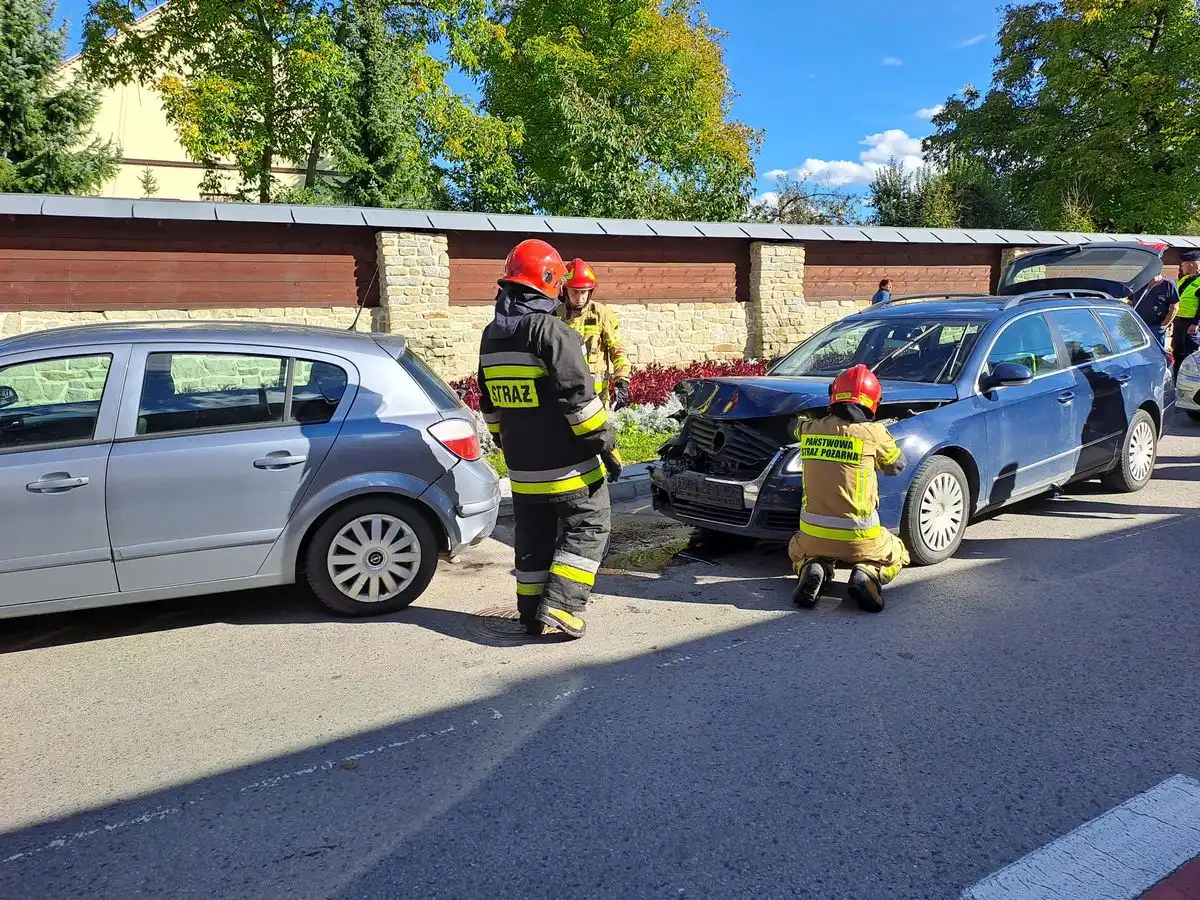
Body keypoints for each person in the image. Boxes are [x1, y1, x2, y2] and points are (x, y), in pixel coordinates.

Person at [477, 239, 621, 639]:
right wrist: (605, 444)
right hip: (567, 467)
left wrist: (511, 445)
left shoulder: (492, 336)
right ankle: (562, 606)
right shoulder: (552, 331)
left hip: (523, 470)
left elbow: (490, 407)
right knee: (590, 525)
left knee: (534, 539)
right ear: (549, 282)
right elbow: (579, 401)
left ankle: (530, 612)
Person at [788, 364, 910, 613]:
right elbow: (896, 466)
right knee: (897, 551)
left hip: (812, 536)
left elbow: (792, 427)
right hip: (860, 537)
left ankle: (814, 565)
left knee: (797, 550)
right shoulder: (874, 433)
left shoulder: (810, 429)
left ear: (834, 395)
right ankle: (867, 573)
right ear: (873, 400)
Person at [557, 258, 632, 409]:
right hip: (564, 397)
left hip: (597, 399)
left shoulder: (602, 315)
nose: (579, 297)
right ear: (565, 290)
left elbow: (618, 350)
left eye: (583, 292)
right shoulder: (555, 316)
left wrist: (622, 381)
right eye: (574, 292)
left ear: (590, 291)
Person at [1131, 273, 1178, 349]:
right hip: (1138, 326)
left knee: (1156, 352)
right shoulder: (1140, 283)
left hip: (1156, 327)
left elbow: (1175, 306)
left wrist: (1164, 325)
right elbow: (1130, 302)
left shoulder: (1168, 285)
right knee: (1139, 351)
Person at [1173, 250, 1200, 380]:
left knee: (1191, 352)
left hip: (1191, 324)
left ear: (1190, 264)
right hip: (1179, 321)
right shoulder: (1185, 279)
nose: (1181, 268)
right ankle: (1177, 377)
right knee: (1177, 350)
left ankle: (1190, 378)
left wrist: (1196, 323)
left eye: (1182, 265)